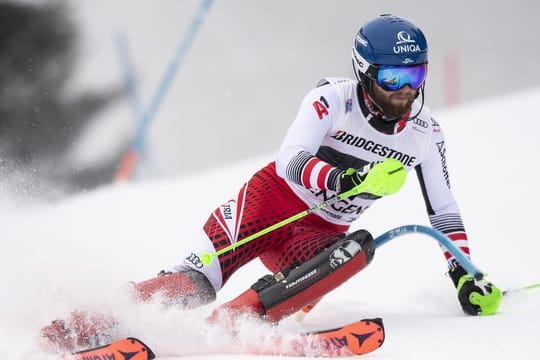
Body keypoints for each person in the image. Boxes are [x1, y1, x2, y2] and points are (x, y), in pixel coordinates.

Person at [41, 14, 502, 352]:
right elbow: (291, 161)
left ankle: (238, 320)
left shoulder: (426, 134)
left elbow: (444, 211)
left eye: (416, 74)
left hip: (317, 235)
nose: (407, 89)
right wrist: (351, 177)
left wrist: (464, 274)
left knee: (356, 249)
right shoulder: (331, 100)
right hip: (267, 203)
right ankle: (79, 324)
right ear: (366, 73)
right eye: (394, 76)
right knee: (192, 286)